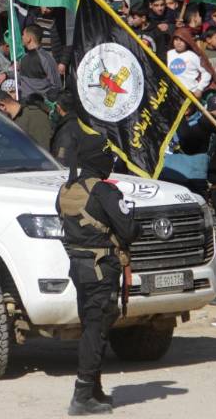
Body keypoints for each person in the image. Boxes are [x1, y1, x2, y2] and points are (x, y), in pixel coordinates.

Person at [55, 132, 138, 414]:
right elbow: (128, 230)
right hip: (102, 268)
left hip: (79, 267)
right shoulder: (104, 191)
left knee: (93, 326)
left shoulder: (67, 189)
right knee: (96, 329)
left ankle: (95, 389)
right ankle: (82, 395)